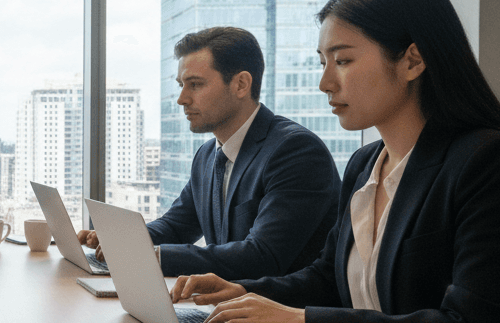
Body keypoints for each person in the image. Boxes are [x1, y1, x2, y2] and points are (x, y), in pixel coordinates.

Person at [173, 0, 500, 323]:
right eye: (323, 62)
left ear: (412, 60)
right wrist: (246, 293)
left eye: (343, 60)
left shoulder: (493, 164)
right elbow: (328, 279)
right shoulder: (364, 165)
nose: (325, 83)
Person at [79, 27, 339, 279]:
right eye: (181, 84)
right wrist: (125, 239)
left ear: (240, 84)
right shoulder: (207, 155)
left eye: (195, 85)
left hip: (278, 316)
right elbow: (177, 226)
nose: (181, 98)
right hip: (226, 310)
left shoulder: (296, 152)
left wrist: (155, 256)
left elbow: (263, 256)